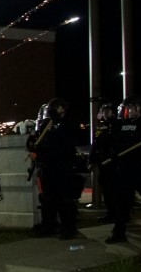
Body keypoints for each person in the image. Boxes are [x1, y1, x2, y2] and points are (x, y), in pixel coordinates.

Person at [105, 96, 141, 245]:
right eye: (127, 108)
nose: (128, 111)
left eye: (131, 107)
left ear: (139, 107)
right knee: (121, 202)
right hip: (124, 168)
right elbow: (112, 141)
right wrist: (113, 152)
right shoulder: (120, 123)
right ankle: (119, 231)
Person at [31, 98, 79, 239]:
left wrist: (58, 123)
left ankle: (68, 228)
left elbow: (66, 142)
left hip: (63, 166)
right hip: (48, 166)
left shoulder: (68, 123)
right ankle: (49, 226)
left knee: (65, 199)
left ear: (62, 108)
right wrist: (35, 151)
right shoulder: (47, 124)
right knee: (47, 199)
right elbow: (40, 141)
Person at [88, 101, 118, 223]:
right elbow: (95, 145)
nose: (105, 114)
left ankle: (121, 214)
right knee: (106, 189)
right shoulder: (100, 127)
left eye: (107, 111)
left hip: (115, 164)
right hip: (103, 163)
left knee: (117, 190)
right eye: (103, 111)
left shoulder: (118, 125)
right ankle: (110, 213)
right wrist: (91, 160)